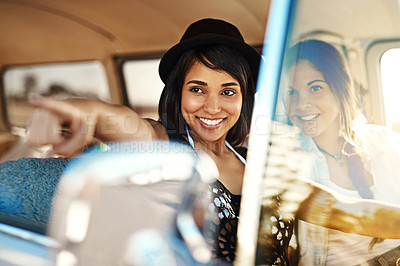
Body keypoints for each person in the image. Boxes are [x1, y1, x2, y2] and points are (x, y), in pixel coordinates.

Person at [26, 19, 400, 265]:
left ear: (243, 98)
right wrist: (77, 112)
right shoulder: (164, 144)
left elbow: (343, 211)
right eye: (197, 89)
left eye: (228, 91)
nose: (212, 107)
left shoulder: (260, 165)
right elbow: (115, 120)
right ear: (178, 92)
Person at [282, 39, 400, 265]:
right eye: (291, 92)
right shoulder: (286, 158)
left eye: (315, 88)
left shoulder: (383, 141)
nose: (301, 104)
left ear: (339, 89)